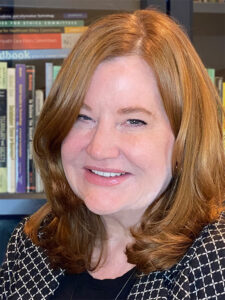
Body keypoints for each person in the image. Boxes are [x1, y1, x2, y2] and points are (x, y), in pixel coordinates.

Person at [1, 8, 225, 300]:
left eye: (134, 121)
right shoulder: (31, 244)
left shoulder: (215, 264)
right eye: (82, 116)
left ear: (186, 139)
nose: (99, 148)